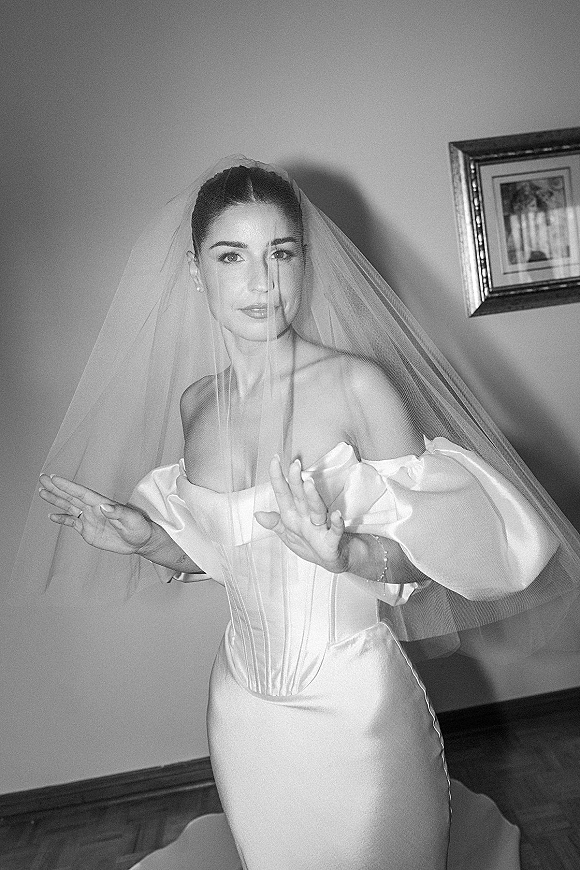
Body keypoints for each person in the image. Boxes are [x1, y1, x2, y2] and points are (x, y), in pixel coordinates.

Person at [18, 159, 580, 869]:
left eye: (281, 253)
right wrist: (149, 540)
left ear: (305, 261)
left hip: (356, 713)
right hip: (243, 710)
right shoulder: (197, 404)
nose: (262, 282)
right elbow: (227, 556)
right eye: (233, 257)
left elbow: (431, 556)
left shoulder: (357, 386)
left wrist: (348, 554)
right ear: (197, 272)